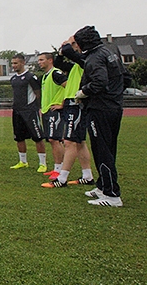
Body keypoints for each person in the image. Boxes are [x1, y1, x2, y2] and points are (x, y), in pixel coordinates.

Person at [73, 26, 128, 207]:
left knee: (102, 150)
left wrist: (83, 92)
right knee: (108, 149)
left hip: (100, 109)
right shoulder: (109, 52)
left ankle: (112, 195)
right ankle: (103, 186)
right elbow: (125, 78)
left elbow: (99, 82)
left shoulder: (95, 57)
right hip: (113, 107)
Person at [42, 36, 96, 189]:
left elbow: (68, 52)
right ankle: (87, 175)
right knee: (79, 142)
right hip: (71, 102)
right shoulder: (76, 64)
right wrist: (60, 53)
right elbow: (59, 63)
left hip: (76, 102)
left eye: (73, 43)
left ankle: (62, 178)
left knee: (69, 141)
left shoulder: (85, 58)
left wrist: (66, 46)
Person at [8, 54, 47, 170]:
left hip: (30, 111)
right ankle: (23, 161)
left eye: (16, 63)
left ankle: (42, 163)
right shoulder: (13, 79)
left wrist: (36, 106)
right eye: (12, 63)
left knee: (37, 136)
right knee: (19, 137)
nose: (14, 66)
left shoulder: (31, 77)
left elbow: (38, 93)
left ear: (23, 63)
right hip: (17, 111)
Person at [37, 52, 67, 177]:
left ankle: (60, 170)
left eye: (42, 60)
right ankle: (57, 167)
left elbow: (68, 86)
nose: (39, 62)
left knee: (55, 139)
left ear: (50, 60)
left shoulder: (56, 73)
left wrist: (63, 104)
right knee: (51, 139)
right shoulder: (45, 76)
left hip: (55, 111)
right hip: (46, 111)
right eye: (38, 60)